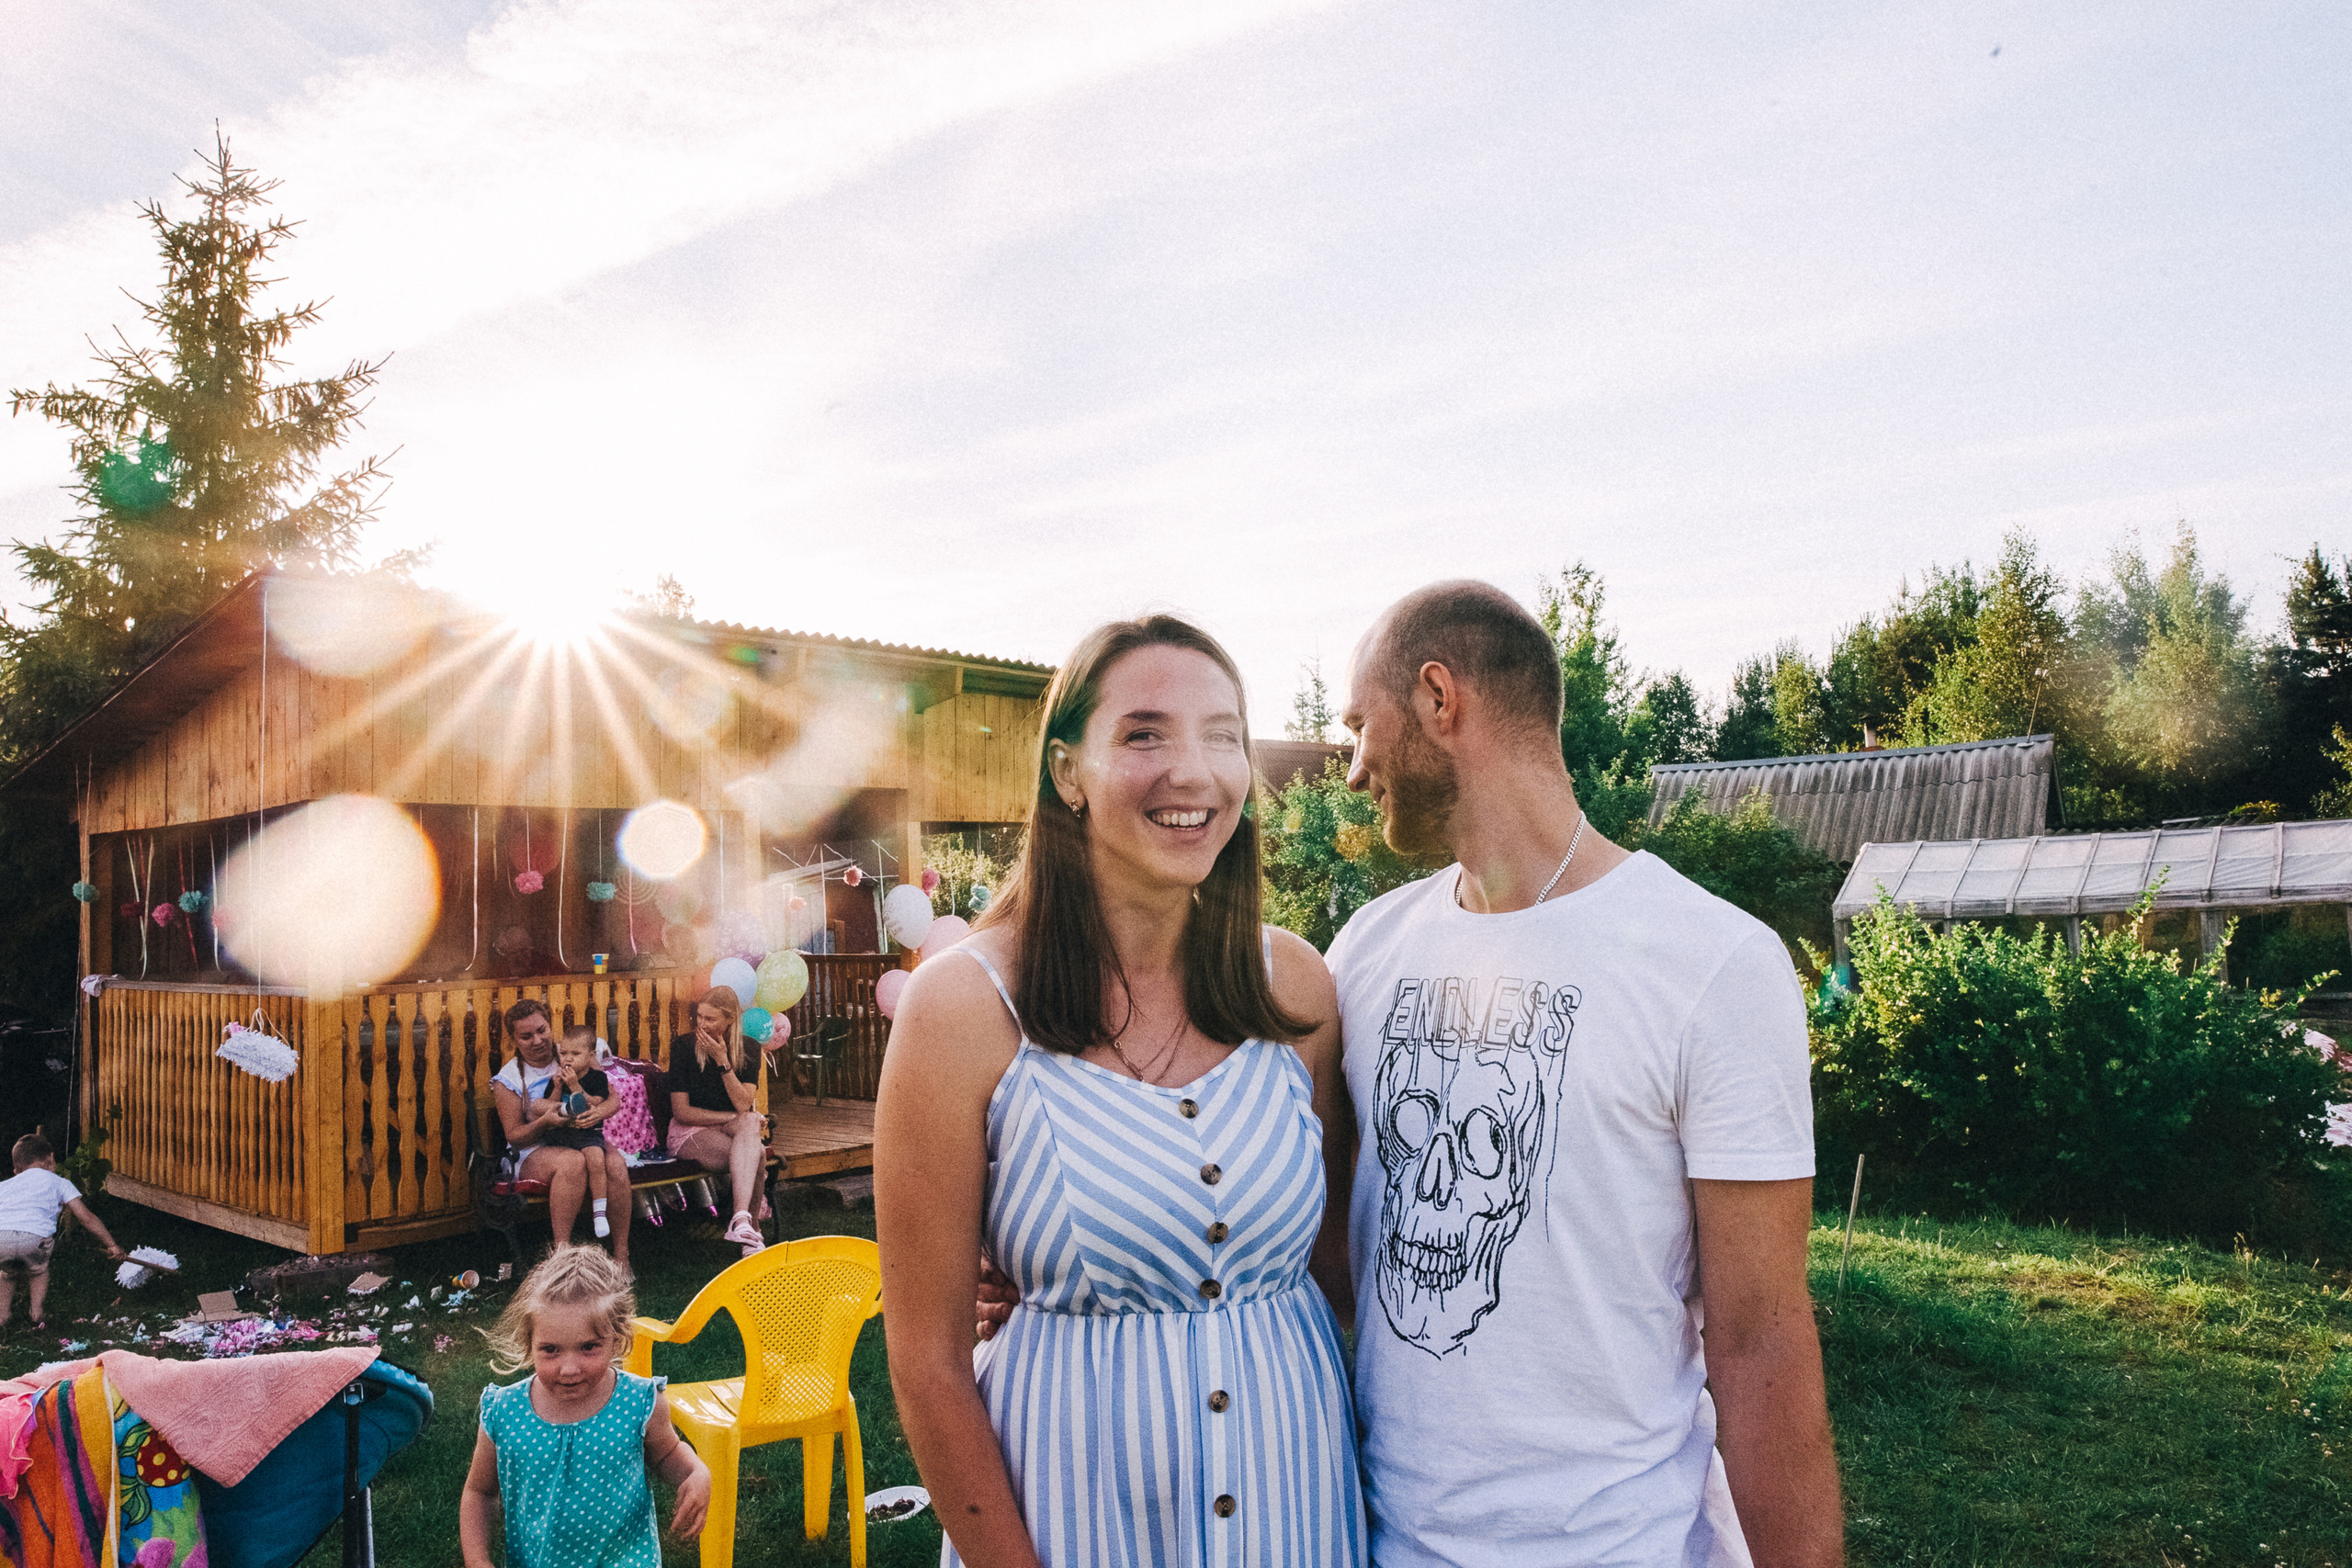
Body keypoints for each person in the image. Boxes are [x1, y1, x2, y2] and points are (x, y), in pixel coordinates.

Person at [1328, 580, 1841, 1566]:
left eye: (1362, 726)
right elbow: (1303, 1233)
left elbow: (1761, 1340)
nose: (1353, 770)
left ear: (1439, 699)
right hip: (1387, 1546)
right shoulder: (1362, 954)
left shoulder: (1711, 965)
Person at [876, 615, 1367, 1567]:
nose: (1195, 771)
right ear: (1068, 773)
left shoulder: (1296, 989)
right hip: (1076, 1519)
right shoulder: (962, 1009)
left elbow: (1349, 1266)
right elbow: (926, 1364)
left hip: (1298, 1510)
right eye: (1145, 733)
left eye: (1222, 734)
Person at [458, 1245, 710, 1568]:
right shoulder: (505, 1413)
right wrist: (477, 1561)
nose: (569, 1368)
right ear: (529, 1343)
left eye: (588, 1347)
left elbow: (667, 1454)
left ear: (617, 1338)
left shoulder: (638, 1402)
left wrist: (696, 1472)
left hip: (628, 1560)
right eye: (550, 1350)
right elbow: (480, 1493)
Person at [492, 999, 633, 1270]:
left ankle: (622, 1255)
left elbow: (612, 1099)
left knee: (614, 1162)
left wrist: (599, 1113)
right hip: (532, 1149)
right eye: (526, 1036)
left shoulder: (574, 1055)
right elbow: (515, 1136)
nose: (537, 1040)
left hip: (579, 1136)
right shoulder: (508, 1079)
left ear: (550, 1026)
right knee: (572, 1163)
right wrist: (545, 1121)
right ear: (514, 1040)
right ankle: (562, 1259)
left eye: (541, 1031)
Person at [666, 988, 768, 1255]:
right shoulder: (682, 1047)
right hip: (691, 1131)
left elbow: (743, 1104)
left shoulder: (749, 1048)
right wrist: (734, 1118)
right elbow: (682, 1112)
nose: (702, 1023)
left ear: (730, 1019)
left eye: (711, 1019)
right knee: (755, 1152)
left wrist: (723, 1061)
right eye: (699, 1016)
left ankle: (741, 1222)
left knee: (749, 1130)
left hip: (732, 1131)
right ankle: (751, 1230)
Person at [0, 1133, 126, 1330]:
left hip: (2, 1237)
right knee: (38, 1271)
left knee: (6, 1274)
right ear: (51, 1159)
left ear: (17, 1170)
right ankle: (36, 1315)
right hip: (35, 1238)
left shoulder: (4, 1186)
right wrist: (111, 1244)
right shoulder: (60, 1183)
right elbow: (86, 1217)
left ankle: (3, 1317)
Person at [526, 1026, 619, 1239]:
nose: (568, 1059)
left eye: (575, 1054)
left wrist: (575, 1085)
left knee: (596, 1158)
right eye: (564, 1053)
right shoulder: (557, 1077)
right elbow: (550, 1105)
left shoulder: (597, 1078)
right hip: (563, 1134)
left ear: (590, 1056)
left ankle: (599, 1212)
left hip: (587, 1132)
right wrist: (559, 1086)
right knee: (541, 1108)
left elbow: (596, 1102)